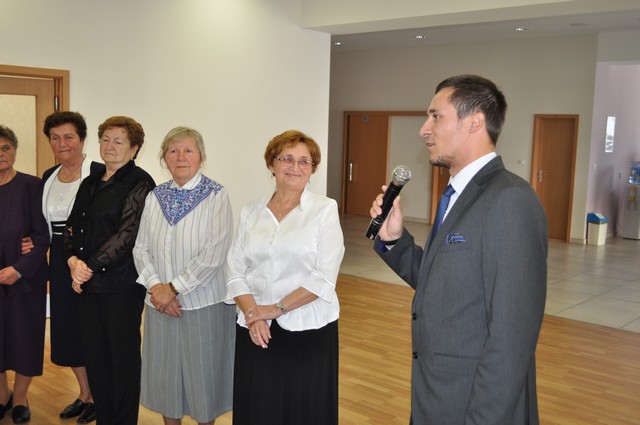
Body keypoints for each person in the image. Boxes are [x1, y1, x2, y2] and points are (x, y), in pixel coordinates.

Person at [369, 75, 548, 425]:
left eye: (436, 116)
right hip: (436, 397)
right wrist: (394, 240)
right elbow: (445, 285)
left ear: (475, 122)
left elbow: (512, 337)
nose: (424, 129)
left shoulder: (509, 200)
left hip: (473, 405)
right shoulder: (457, 195)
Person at [226, 130, 345, 425]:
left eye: (305, 161)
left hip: (308, 328)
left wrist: (274, 309)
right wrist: (253, 314)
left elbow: (324, 277)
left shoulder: (324, 210)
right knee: (259, 407)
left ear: (313, 169)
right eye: (287, 159)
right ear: (272, 164)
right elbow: (235, 268)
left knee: (302, 411)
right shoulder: (251, 211)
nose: (296, 167)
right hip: (256, 327)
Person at [133, 126, 235, 425]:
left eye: (188, 150)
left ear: (200, 157)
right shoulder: (155, 196)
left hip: (203, 303)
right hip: (160, 305)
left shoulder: (216, 195)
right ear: (164, 157)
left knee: (203, 380)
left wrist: (173, 289)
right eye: (173, 150)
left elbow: (215, 253)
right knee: (166, 379)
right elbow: (140, 248)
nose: (180, 157)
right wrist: (157, 289)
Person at [63, 116, 155, 425]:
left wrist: (87, 267)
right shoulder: (91, 181)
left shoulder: (140, 182)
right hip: (88, 285)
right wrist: (72, 261)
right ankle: (104, 418)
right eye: (105, 139)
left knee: (122, 360)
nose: (110, 146)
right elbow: (72, 226)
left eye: (118, 141)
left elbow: (127, 234)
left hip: (121, 286)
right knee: (95, 357)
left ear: (134, 148)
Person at [41, 111, 103, 423]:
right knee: (68, 327)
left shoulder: (100, 173)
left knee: (92, 328)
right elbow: (41, 222)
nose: (62, 143)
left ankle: (100, 396)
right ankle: (84, 393)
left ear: (82, 139)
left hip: (92, 260)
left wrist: (88, 261)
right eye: (55, 138)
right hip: (59, 258)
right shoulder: (48, 175)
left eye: (69, 137)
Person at [0, 125, 49, 424]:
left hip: (25, 279)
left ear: (15, 151)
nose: (1, 154)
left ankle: (20, 398)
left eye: (6, 147)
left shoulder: (33, 186)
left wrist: (18, 269)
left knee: (25, 338)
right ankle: (2, 395)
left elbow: (42, 236)